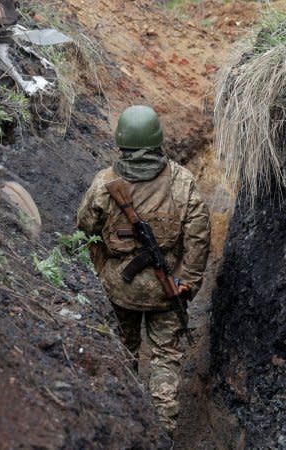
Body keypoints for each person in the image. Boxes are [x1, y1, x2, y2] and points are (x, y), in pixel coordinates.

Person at [76, 105, 210, 434]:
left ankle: (126, 425)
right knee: (165, 357)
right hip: (167, 290)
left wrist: (101, 271)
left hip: (118, 289)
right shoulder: (183, 182)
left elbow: (85, 231)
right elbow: (199, 237)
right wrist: (188, 282)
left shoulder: (104, 182)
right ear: (157, 140)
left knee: (123, 352)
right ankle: (163, 431)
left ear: (121, 140)